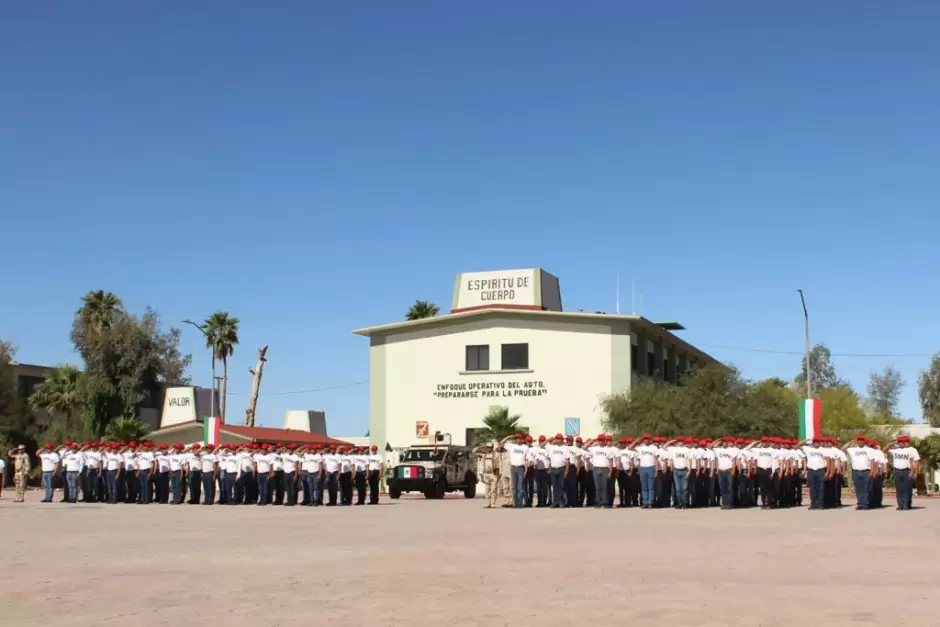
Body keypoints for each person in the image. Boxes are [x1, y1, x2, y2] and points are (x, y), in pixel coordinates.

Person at [886, 435, 919, 510]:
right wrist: (892, 443)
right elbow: (884, 450)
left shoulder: (911, 450)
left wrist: (913, 472)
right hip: (897, 470)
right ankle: (900, 504)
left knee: (906, 488)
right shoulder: (895, 449)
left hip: (906, 470)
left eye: (905, 441)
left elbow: (914, 461)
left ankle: (906, 504)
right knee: (899, 488)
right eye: (900, 442)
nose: (903, 443)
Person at [843, 435, 873, 510]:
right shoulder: (853, 449)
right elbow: (844, 450)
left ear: (864, 442)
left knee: (865, 488)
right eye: (858, 440)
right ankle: (860, 504)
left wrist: (872, 471)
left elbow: (872, 460)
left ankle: (865, 504)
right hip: (856, 471)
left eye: (861, 440)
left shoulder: (868, 450)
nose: (860, 442)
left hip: (865, 471)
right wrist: (851, 442)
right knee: (858, 489)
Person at [500, 433, 529, 509]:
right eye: (517, 439)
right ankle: (515, 503)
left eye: (520, 439)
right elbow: (501, 443)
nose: (519, 440)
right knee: (514, 487)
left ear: (523, 439)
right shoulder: (511, 446)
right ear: (516, 440)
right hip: (513, 468)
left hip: (521, 468)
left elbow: (526, 459)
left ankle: (520, 503)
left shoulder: (525, 447)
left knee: (520, 487)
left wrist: (526, 469)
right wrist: (508, 436)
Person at [545, 434, 568, 508]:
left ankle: (562, 502)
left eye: (560, 439)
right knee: (554, 486)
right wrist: (548, 440)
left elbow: (567, 460)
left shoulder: (565, 448)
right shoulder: (551, 448)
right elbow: (542, 446)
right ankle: (555, 502)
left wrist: (566, 471)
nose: (559, 440)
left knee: (561, 486)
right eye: (557, 439)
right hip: (553, 469)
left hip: (561, 469)